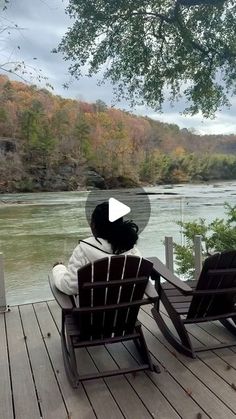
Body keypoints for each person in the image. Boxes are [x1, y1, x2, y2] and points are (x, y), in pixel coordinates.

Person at [52, 201, 141, 295]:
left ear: (93, 226)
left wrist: (58, 269)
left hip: (91, 309)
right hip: (126, 307)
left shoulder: (83, 251)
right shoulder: (132, 249)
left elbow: (70, 287)